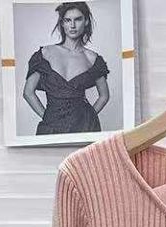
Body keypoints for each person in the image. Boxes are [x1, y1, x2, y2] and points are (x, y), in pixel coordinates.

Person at [23, 2, 110, 135]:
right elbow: (28, 92)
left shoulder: (92, 58)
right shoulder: (45, 54)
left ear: (86, 21)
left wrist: (88, 118)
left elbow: (104, 96)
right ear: (62, 23)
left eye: (78, 19)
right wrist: (47, 118)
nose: (72, 25)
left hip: (85, 128)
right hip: (51, 127)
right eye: (68, 20)